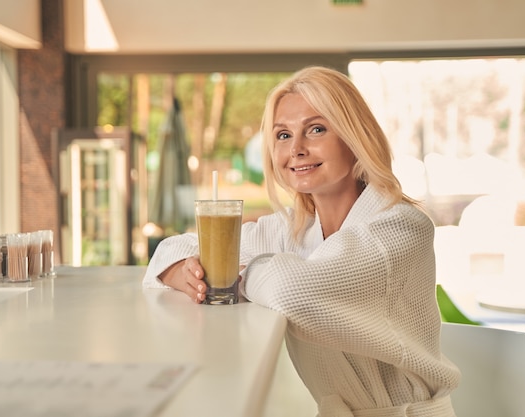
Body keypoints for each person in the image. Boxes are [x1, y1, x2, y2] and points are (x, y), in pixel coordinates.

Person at [143, 66, 460, 417]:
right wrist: (180, 272)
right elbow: (172, 249)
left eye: (316, 129)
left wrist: (236, 268)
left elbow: (293, 291)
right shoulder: (293, 229)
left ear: (355, 138)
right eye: (282, 135)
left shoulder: (401, 228)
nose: (296, 149)